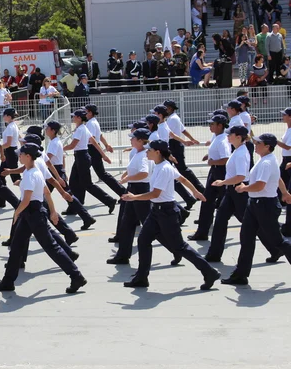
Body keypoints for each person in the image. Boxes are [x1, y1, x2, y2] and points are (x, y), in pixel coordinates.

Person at [121, 139, 219, 289]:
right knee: (143, 240)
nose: (146, 152)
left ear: (158, 152)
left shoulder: (164, 168)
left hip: (166, 212)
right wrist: (196, 192)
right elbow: (183, 179)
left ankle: (209, 272)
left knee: (180, 246)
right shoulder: (161, 165)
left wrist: (134, 197)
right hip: (157, 211)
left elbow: (155, 193)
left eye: (149, 150)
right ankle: (141, 277)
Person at [0, 143, 87, 294]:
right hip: (30, 214)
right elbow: (46, 193)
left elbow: (26, 200)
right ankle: (8, 281)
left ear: (28, 156)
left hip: (34, 214)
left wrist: (17, 213)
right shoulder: (33, 171)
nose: (19, 156)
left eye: (21, 154)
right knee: (16, 246)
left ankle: (76, 276)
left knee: (52, 247)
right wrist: (53, 212)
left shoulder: (31, 174)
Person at [222, 133, 291, 286]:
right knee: (246, 238)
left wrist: (244, 188)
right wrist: (285, 193)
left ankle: (240, 274)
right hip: (255, 204)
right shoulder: (266, 160)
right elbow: (277, 177)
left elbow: (260, 185)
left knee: (277, 240)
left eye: (258, 143)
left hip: (265, 205)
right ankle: (240, 275)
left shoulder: (267, 162)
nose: (255, 145)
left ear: (267, 146)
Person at [107, 128, 153, 264]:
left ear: (140, 140)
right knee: (126, 225)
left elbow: (144, 173)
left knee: (150, 225)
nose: (130, 140)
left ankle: (177, 248)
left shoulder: (143, 154)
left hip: (139, 190)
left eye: (133, 138)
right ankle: (122, 255)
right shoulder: (140, 152)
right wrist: (127, 177)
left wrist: (127, 178)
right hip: (134, 189)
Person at [63, 109, 116, 214]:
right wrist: (103, 155)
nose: (73, 118)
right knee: (73, 182)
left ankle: (109, 200)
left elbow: (73, 145)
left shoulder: (80, 130)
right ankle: (75, 206)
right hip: (81, 157)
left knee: (87, 184)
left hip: (82, 157)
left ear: (79, 118)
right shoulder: (83, 128)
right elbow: (95, 143)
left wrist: (61, 148)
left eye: (74, 116)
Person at [188, 115, 231, 241]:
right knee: (207, 201)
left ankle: (259, 226)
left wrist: (213, 162)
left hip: (221, 173)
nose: (210, 126)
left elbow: (225, 159)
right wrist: (209, 156)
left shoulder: (223, 140)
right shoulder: (217, 137)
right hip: (215, 171)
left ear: (220, 125)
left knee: (229, 204)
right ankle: (202, 232)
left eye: (212, 124)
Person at [84, 104, 124, 203]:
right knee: (92, 174)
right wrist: (106, 145)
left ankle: (123, 192)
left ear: (89, 112)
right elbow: (100, 136)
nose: (84, 113)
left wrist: (103, 154)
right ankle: (122, 192)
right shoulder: (93, 122)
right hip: (93, 149)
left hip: (92, 149)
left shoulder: (90, 124)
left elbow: (92, 139)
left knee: (102, 174)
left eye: (85, 111)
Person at [0, 108, 20, 208]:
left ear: (8, 116)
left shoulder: (10, 127)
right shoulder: (12, 126)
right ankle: (1, 200)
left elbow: (8, 143)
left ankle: (29, 196)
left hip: (10, 153)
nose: (3, 117)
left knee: (15, 178)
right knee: (1, 176)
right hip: (9, 153)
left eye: (4, 115)